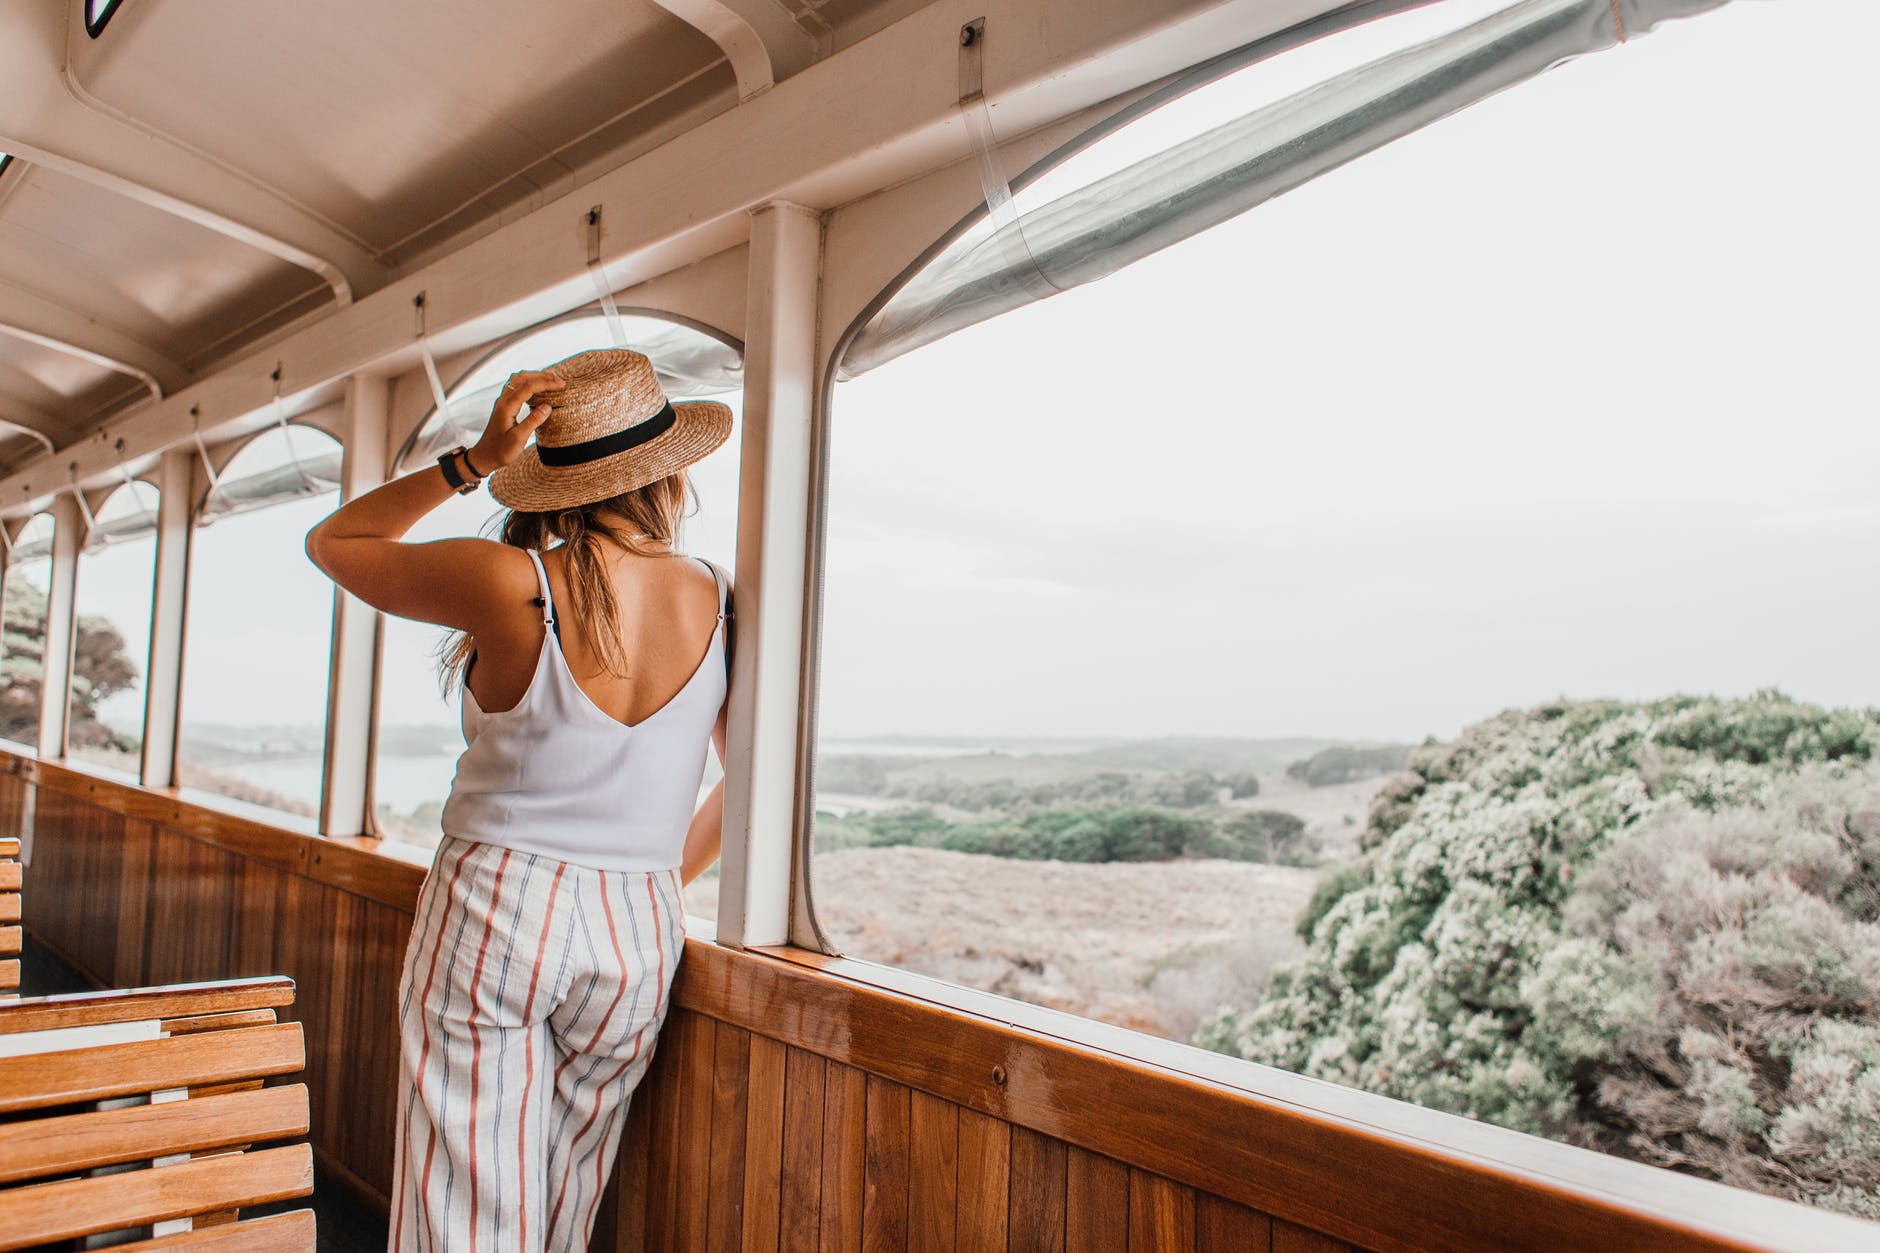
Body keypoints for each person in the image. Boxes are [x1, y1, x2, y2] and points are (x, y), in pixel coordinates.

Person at [305, 347, 734, 1251]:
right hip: (641, 924)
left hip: (499, 904)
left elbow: (334, 544)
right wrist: (647, 876)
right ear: (671, 470)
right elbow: (745, 793)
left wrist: (473, 463)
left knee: (464, 1211)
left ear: (558, 480)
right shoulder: (721, 600)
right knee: (564, 1204)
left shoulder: (515, 582)